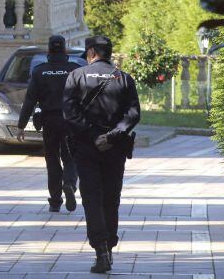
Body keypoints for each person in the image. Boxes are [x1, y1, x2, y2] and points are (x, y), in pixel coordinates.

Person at [62, 36, 140, 274]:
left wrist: (93, 135)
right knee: (111, 198)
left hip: (86, 148)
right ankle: (109, 244)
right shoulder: (124, 78)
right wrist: (112, 136)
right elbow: (133, 114)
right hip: (114, 149)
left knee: (92, 199)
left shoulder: (76, 76)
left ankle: (101, 250)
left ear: (92, 52)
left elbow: (70, 112)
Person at [17, 35, 82, 213]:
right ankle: (69, 183)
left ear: (49, 50)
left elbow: (30, 101)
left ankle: (55, 200)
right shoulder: (75, 70)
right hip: (70, 121)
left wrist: (21, 125)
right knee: (71, 157)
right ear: (65, 49)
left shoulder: (39, 71)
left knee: (52, 159)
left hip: (49, 121)